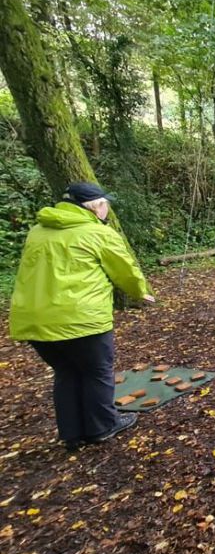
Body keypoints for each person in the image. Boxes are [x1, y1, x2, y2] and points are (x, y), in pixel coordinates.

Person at [9, 183, 153, 451]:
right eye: (105, 204)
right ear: (95, 206)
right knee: (96, 372)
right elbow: (125, 271)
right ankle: (102, 426)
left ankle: (72, 433)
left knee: (66, 372)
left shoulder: (37, 232)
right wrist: (139, 292)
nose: (107, 208)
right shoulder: (99, 233)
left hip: (35, 319)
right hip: (80, 318)